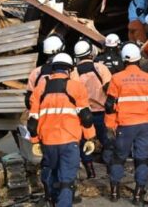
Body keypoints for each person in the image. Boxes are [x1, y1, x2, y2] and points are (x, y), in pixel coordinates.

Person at [28, 53, 97, 207]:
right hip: (69, 141)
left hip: (48, 141)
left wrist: (34, 140)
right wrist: (90, 137)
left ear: (52, 68)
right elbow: (86, 117)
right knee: (66, 180)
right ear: (69, 69)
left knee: (50, 172)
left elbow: (32, 121)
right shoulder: (76, 87)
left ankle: (51, 200)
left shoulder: (41, 88)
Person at [105, 43, 148, 205]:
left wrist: (110, 126)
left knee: (118, 159)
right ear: (139, 60)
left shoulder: (116, 79)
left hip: (124, 126)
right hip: (145, 126)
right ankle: (137, 196)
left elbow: (110, 105)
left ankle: (114, 193)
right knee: (142, 159)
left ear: (124, 60)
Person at [72, 39, 114, 179]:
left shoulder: (74, 73)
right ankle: (110, 170)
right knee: (107, 141)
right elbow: (110, 89)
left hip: (83, 115)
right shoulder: (100, 68)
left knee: (85, 143)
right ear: (91, 53)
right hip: (102, 113)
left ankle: (90, 172)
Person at [25, 34, 64, 110]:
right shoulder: (70, 72)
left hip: (41, 116)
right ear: (62, 49)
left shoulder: (36, 72)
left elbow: (28, 100)